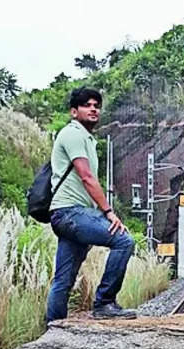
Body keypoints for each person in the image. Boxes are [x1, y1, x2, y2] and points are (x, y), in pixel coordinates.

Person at [46, 87, 137, 322]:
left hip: (65, 214)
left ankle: (53, 327)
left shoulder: (84, 137)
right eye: (87, 105)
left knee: (63, 280)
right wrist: (108, 212)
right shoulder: (74, 134)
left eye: (96, 105)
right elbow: (87, 177)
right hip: (70, 212)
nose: (94, 108)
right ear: (74, 112)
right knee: (123, 241)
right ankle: (104, 302)